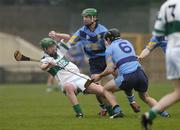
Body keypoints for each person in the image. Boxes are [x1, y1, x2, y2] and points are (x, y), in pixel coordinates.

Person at [49, 8, 140, 116]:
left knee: (123, 80)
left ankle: (132, 101)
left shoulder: (103, 31)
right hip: (94, 62)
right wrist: (57, 53)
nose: (84, 19)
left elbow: (114, 46)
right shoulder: (81, 32)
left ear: (94, 18)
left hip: (107, 59)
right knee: (97, 86)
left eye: (87, 17)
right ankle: (105, 108)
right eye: (83, 17)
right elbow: (70, 42)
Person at [92, 28, 169, 118]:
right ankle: (164, 114)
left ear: (108, 39)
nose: (105, 42)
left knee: (106, 89)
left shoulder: (109, 49)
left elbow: (110, 69)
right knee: (145, 97)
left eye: (105, 40)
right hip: (141, 74)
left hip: (128, 77)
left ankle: (117, 111)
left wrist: (99, 75)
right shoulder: (128, 43)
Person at [39, 37, 123, 118]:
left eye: (53, 45)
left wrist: (57, 35)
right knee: (68, 87)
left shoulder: (59, 51)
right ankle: (79, 113)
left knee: (102, 91)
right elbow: (42, 67)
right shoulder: (45, 59)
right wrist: (49, 63)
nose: (53, 48)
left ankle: (113, 112)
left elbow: (68, 38)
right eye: (50, 47)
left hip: (80, 78)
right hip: (67, 82)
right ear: (45, 49)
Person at [141, 0, 180, 129]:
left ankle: (149, 116)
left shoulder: (166, 6)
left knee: (178, 92)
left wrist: (141, 56)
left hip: (171, 54)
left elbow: (157, 34)